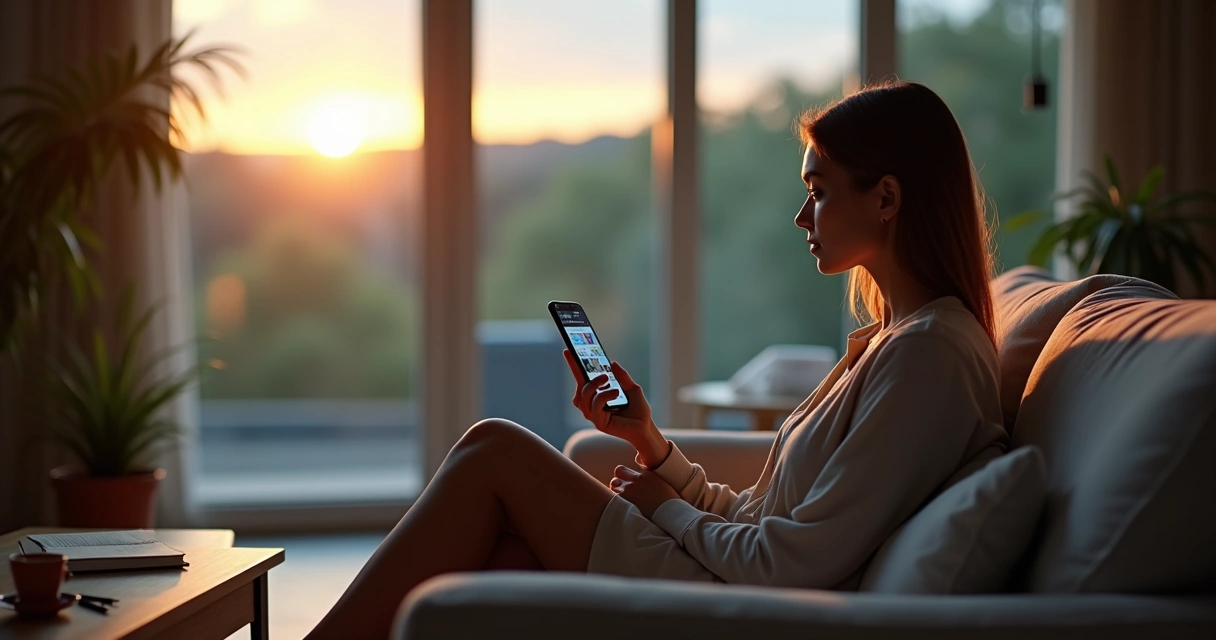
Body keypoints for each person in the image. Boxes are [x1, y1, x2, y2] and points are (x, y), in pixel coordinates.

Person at [306, 81, 1009, 639]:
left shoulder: (930, 360)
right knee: (503, 558)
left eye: (819, 193)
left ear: (886, 198)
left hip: (736, 603)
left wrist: (663, 508)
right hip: (720, 572)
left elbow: (792, 564)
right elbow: (764, 516)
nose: (802, 217)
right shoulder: (891, 342)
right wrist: (650, 445)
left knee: (493, 449)